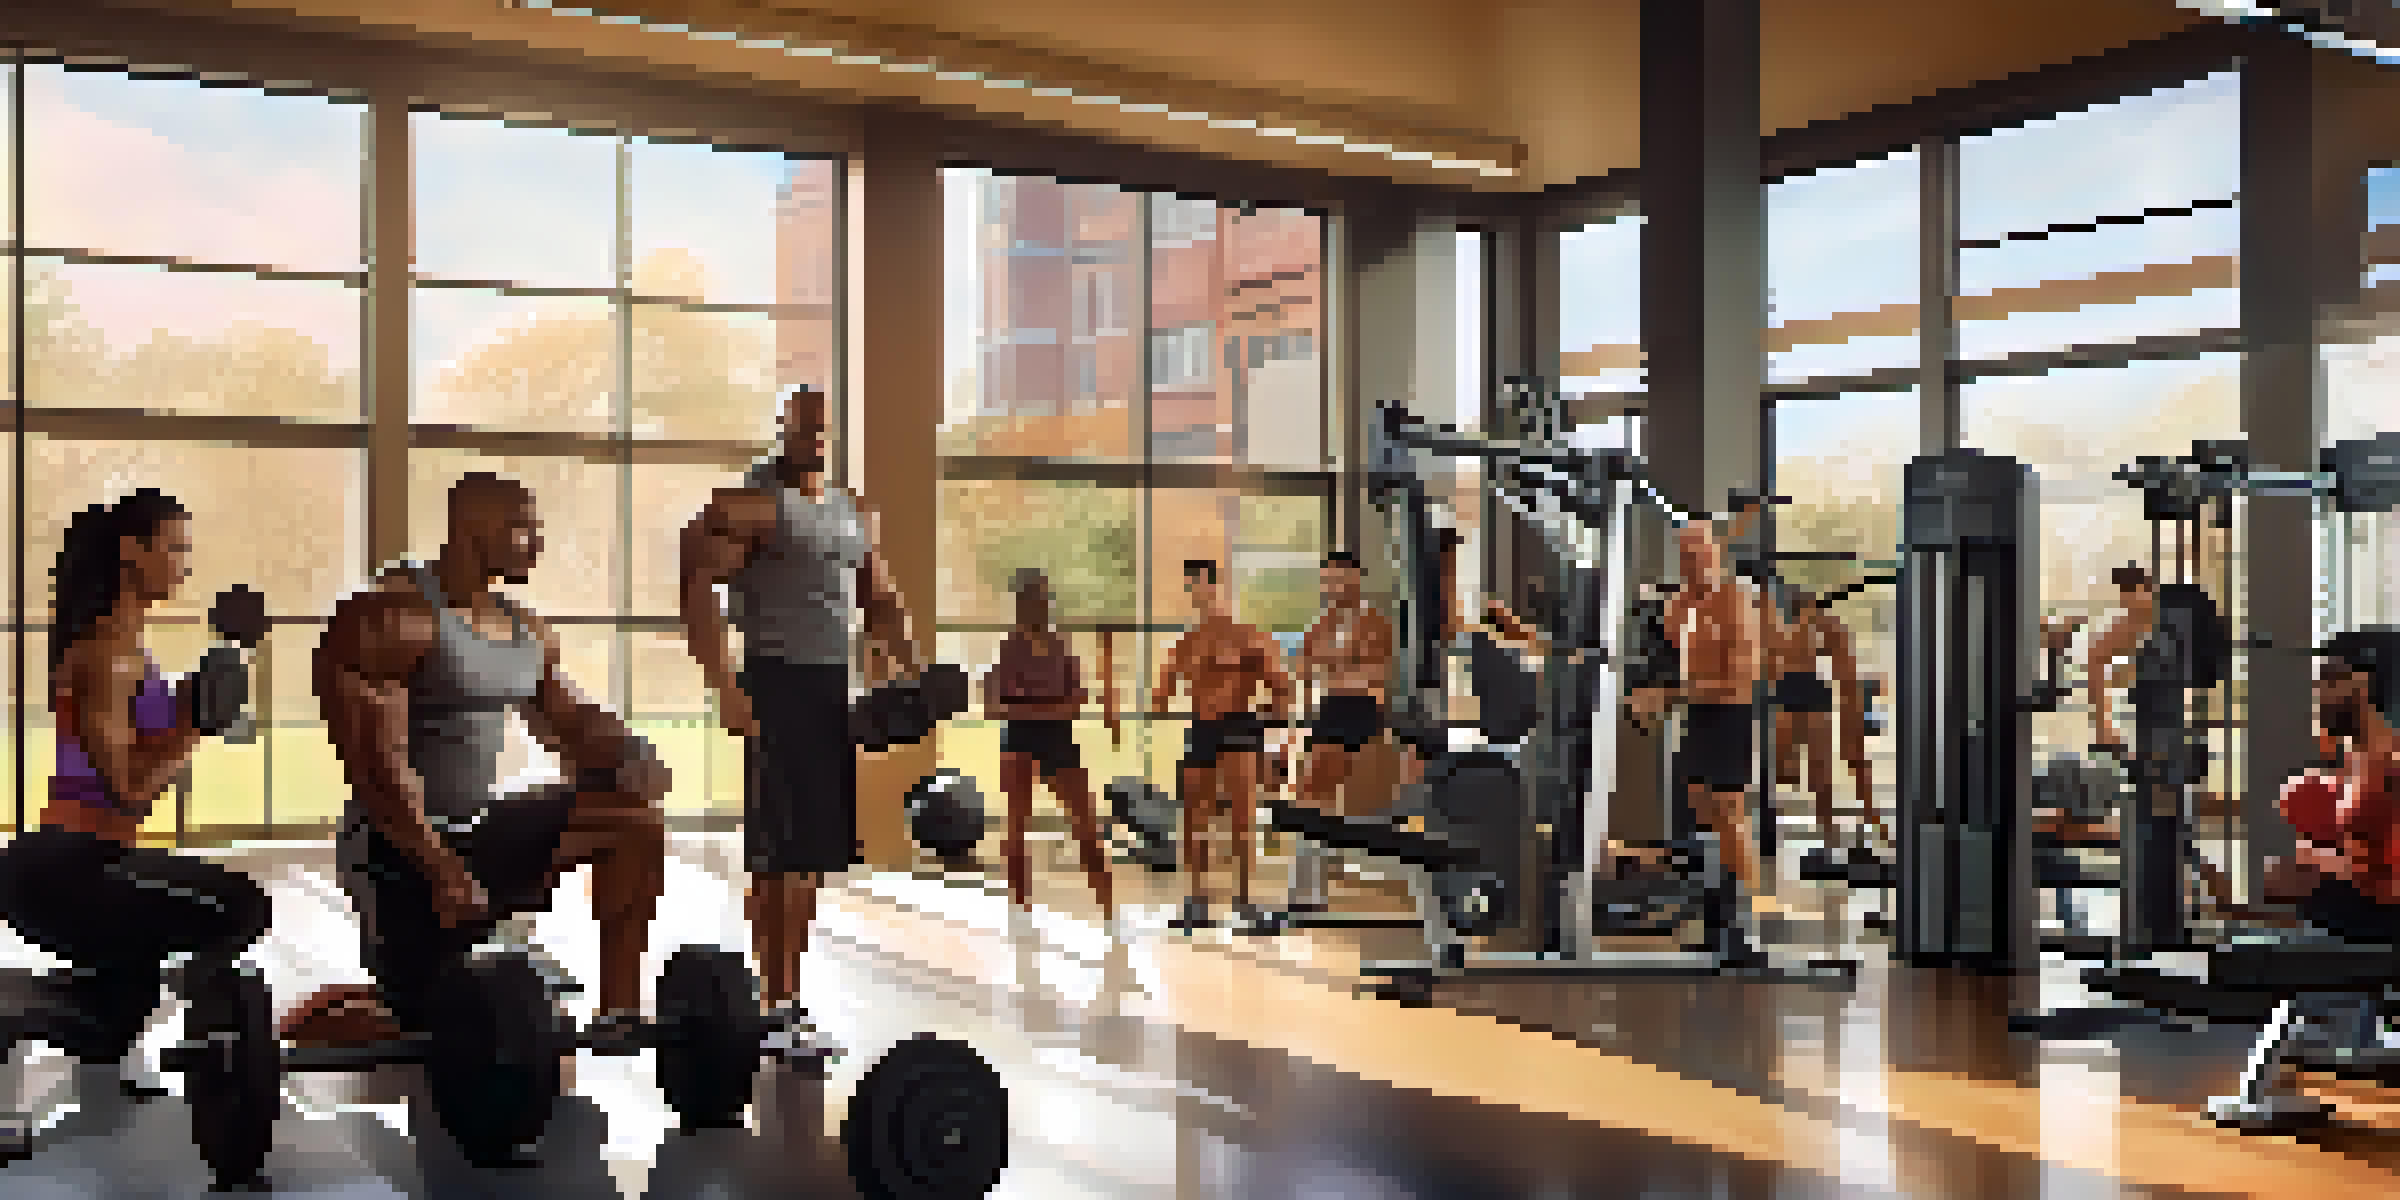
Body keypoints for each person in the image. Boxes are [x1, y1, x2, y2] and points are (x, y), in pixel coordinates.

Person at [311, 473, 668, 1053]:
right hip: (396, 853)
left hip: (479, 833)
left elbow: (570, 723)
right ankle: (350, 1008)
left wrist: (632, 755)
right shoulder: (391, 619)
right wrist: (441, 869)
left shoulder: (525, 631)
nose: (537, 543)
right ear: (473, 528)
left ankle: (619, 1011)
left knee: (635, 819)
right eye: (522, 528)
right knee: (417, 1018)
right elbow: (377, 767)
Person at [0, 491, 273, 1095]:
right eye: (174, 549)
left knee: (114, 1020)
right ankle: (179, 1014)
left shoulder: (130, 652)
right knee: (241, 907)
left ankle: (94, 1017)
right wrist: (194, 723)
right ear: (131, 551)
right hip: (67, 870)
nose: (184, 565)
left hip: (84, 861)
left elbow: (160, 746)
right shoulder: (108, 655)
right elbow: (127, 789)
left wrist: (205, 694)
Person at [680, 383, 924, 1019]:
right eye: (801, 425)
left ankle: (789, 996)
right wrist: (725, 687)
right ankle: (773, 995)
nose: (812, 436)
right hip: (775, 682)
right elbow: (697, 580)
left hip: (829, 688)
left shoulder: (850, 509)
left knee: (810, 855)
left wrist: (917, 672)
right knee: (776, 854)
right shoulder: (756, 505)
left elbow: (878, 600)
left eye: (821, 428)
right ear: (782, 427)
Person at [1158, 559, 1295, 932]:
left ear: (1216, 586)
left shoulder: (1249, 635)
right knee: (1193, 819)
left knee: (1241, 818)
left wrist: (1277, 737)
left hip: (1239, 727)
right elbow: (1161, 696)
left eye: (1200, 583)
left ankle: (1245, 902)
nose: (1195, 592)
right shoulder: (1185, 642)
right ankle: (1196, 902)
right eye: (1190, 585)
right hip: (1201, 728)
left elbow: (1281, 688)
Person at [1660, 518, 1777, 915]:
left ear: (1716, 554)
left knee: (1729, 811)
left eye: (1700, 553)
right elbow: (1675, 660)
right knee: (1700, 806)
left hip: (1731, 714)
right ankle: (1720, 906)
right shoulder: (1678, 605)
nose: (1693, 561)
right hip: (1696, 714)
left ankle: (1748, 914)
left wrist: (1672, 694)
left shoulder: (1735, 599)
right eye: (1686, 554)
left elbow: (1741, 677)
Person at [984, 568, 1115, 920]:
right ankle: (1019, 910)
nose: (1042, 602)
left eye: (1045, 595)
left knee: (1086, 825)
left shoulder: (1060, 645)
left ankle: (1109, 910)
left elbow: (1079, 698)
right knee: (1016, 826)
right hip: (1019, 739)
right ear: (1022, 600)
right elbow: (994, 706)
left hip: (1058, 738)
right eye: (1035, 595)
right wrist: (1050, 706)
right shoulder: (1010, 647)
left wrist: (1032, 705)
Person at [2265, 629, 2400, 940]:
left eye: (2331, 679)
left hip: (2372, 947)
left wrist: (2317, 867)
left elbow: (2389, 884)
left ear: (2365, 683)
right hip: (2336, 936)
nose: (2318, 692)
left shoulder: (2389, 764)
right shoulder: (2353, 762)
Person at [1286, 551, 1396, 913]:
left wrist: (1333, 667)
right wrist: (1339, 668)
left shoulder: (1374, 622)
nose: (1332, 587)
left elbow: (1376, 674)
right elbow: (1302, 669)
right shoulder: (1322, 624)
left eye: (1339, 579)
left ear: (1356, 579)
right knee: (1308, 795)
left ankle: (1310, 892)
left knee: (1315, 794)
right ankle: (1308, 892)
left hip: (1360, 712)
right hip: (1331, 710)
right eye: (1327, 580)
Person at [1768, 588, 1878, 854]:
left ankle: (1834, 832)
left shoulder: (1824, 626)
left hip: (1811, 694)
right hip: (1788, 693)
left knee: (1819, 773)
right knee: (1782, 771)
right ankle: (1830, 831)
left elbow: (1846, 671)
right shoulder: (1776, 623)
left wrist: (1855, 713)